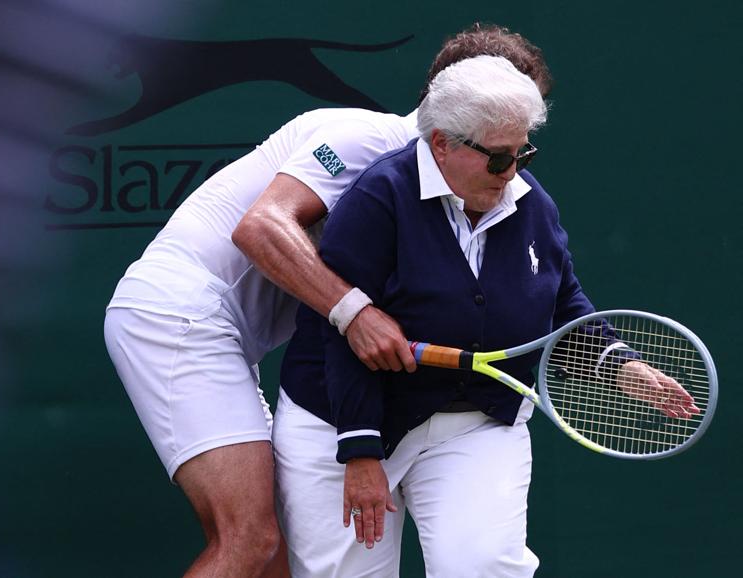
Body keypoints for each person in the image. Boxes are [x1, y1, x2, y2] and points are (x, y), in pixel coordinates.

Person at [104, 25, 553, 577]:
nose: (519, 133)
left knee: (274, 558)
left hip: (229, 333)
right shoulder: (362, 142)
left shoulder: (467, 192)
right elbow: (261, 227)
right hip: (179, 314)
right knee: (249, 539)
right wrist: (355, 312)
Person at [272, 55, 699, 577]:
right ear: (442, 145)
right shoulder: (379, 198)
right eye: (497, 159)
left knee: (485, 567)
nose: (512, 172)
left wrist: (621, 365)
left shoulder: (531, 204)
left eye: (524, 154)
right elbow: (343, 334)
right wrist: (359, 451)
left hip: (474, 423)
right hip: (340, 421)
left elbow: (561, 302)